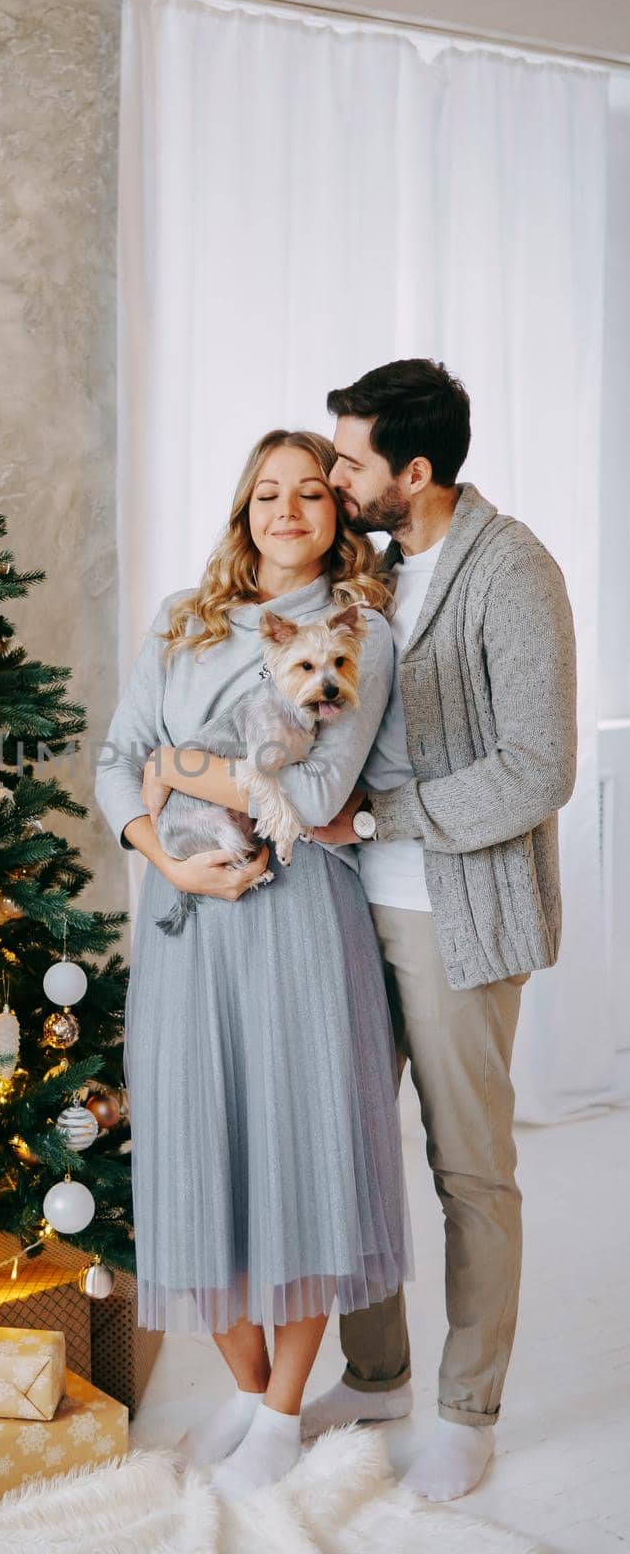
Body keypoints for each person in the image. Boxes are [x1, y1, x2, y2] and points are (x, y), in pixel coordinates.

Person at [93, 428, 412, 1502]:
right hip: (184, 916)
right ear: (243, 511)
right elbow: (112, 759)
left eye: (311, 493)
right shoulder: (181, 623)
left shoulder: (356, 628)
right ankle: (244, 1386)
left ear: (336, 514)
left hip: (295, 925)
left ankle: (283, 1409)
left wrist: (180, 765)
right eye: (266, 493)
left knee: (299, 1143)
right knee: (192, 1146)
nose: (286, 511)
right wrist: (158, 857)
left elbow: (317, 795)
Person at [300, 359, 577, 1502]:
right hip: (344, 908)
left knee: (468, 1168)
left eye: (351, 460)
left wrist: (377, 815)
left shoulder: (511, 572)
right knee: (350, 1153)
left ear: (413, 472)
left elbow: (537, 767)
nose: (330, 476)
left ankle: (467, 1410)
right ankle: (374, 1375)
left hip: (455, 915)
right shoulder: (364, 567)